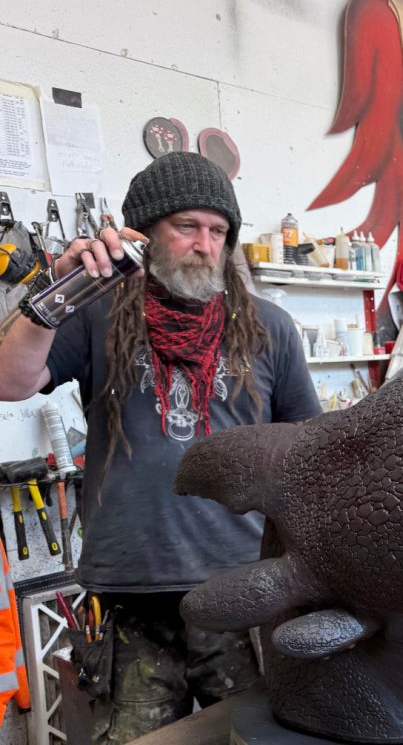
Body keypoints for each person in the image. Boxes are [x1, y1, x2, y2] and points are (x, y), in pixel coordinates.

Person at [0, 152, 322, 742]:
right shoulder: (97, 313)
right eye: (186, 226)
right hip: (133, 594)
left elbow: (307, 448)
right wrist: (56, 293)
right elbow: (7, 381)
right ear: (143, 234)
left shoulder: (268, 328)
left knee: (259, 737)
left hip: (242, 590)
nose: (205, 244)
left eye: (219, 231)